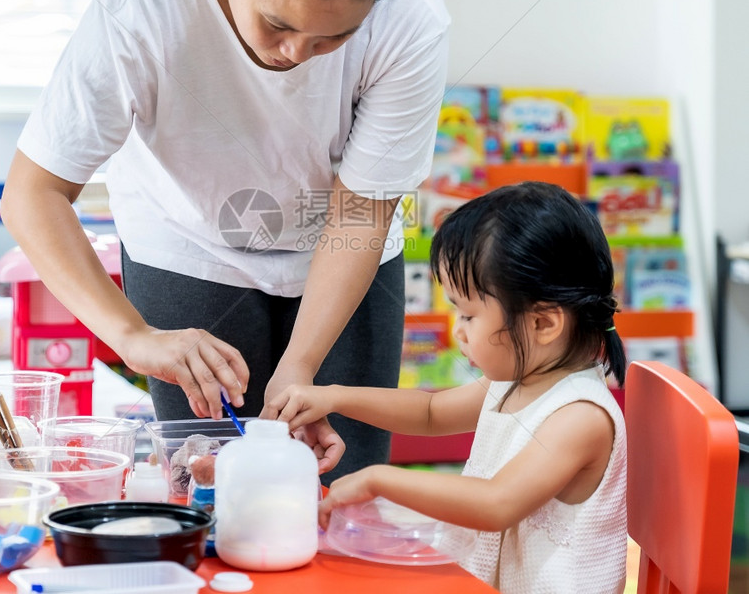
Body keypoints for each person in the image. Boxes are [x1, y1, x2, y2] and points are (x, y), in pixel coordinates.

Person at [0, 0, 450, 482]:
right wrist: (132, 337)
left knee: (341, 486)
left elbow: (361, 211)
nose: (298, 54)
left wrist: (300, 366)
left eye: (332, 40)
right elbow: (33, 193)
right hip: (187, 243)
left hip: (343, 245)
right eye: (278, 24)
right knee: (208, 478)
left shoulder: (411, 19)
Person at [267, 181, 628, 593]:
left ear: (543, 324)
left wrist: (379, 480)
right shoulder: (518, 381)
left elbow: (496, 503)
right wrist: (332, 395)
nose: (459, 333)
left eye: (469, 316)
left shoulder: (580, 416)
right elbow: (430, 413)